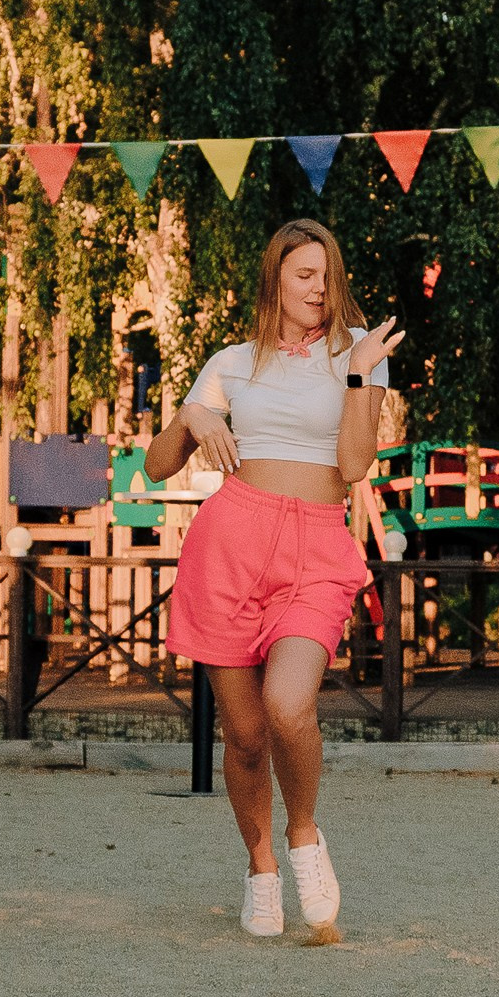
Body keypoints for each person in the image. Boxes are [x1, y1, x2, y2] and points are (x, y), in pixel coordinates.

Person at [144, 219, 401, 939]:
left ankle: (303, 836)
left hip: (316, 548)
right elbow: (157, 466)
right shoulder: (230, 362)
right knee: (247, 736)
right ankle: (260, 869)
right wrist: (192, 416)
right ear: (276, 281)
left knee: (290, 705)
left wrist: (358, 376)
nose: (318, 288)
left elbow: (354, 465)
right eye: (303, 275)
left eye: (326, 274)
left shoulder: (360, 353)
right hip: (230, 544)